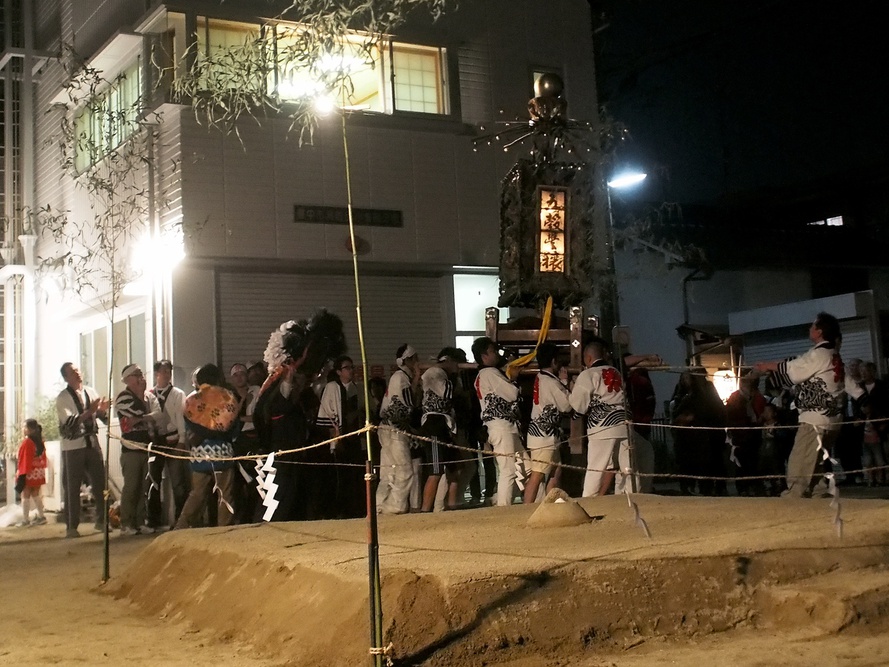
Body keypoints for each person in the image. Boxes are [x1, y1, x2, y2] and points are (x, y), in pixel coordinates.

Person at [755, 312, 849, 497]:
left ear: (819, 331)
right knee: (816, 462)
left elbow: (796, 371)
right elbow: (797, 368)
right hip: (831, 418)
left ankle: (794, 496)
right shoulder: (831, 355)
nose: (809, 329)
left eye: (813, 326)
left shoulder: (819, 354)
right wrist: (772, 369)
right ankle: (818, 494)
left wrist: (768, 366)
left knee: (800, 460)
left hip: (815, 419)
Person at [175, 364, 240, 529]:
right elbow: (232, 427)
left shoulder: (191, 399)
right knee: (225, 493)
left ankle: (182, 525)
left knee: (197, 493)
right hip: (222, 452)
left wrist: (201, 434)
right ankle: (224, 527)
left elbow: (189, 425)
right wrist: (217, 432)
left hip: (199, 453)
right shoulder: (228, 397)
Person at [56, 362, 110, 539]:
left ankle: (102, 520)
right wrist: (90, 411)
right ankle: (71, 526)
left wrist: (102, 411)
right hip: (73, 447)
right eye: (73, 372)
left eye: (78, 370)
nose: (78, 373)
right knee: (72, 487)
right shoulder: (63, 397)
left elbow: (101, 418)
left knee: (100, 482)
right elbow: (70, 422)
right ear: (65, 377)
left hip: (92, 442)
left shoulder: (90, 391)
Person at [569, 340, 629, 497]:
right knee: (626, 468)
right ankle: (627, 499)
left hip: (602, 426)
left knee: (595, 468)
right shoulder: (616, 372)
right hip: (624, 424)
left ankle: (589, 500)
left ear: (588, 358)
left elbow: (578, 405)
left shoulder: (588, 374)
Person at [472, 337, 523, 507]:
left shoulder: (484, 374)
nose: (496, 354)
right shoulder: (488, 373)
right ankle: (502, 508)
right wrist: (513, 378)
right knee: (508, 470)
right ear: (484, 355)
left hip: (504, 426)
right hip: (501, 426)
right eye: (493, 351)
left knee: (527, 469)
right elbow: (512, 394)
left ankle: (499, 500)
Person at [115, 363, 162, 536]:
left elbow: (158, 414)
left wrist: (140, 419)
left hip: (146, 447)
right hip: (131, 448)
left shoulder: (149, 396)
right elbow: (137, 410)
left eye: (141, 374)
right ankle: (127, 523)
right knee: (131, 487)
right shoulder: (123, 397)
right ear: (128, 379)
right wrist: (146, 416)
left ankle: (141, 521)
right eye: (137, 375)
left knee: (144, 487)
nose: (141, 377)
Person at [316, 355, 365, 518]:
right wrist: (336, 439)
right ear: (338, 371)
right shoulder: (332, 387)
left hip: (355, 439)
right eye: (347, 368)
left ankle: (354, 509)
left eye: (352, 367)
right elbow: (328, 416)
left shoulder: (356, 388)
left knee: (355, 477)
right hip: (340, 439)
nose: (351, 370)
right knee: (339, 477)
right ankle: (338, 511)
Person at [524, 342, 571, 503]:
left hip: (544, 433)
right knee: (538, 474)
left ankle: (549, 504)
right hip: (544, 435)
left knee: (555, 471)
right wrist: (565, 383)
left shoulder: (541, 377)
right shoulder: (551, 381)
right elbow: (566, 405)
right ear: (553, 361)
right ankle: (526, 509)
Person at [376, 344, 421, 515]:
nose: (417, 361)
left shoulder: (399, 377)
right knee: (404, 470)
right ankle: (395, 506)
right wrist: (417, 378)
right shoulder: (401, 378)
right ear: (407, 360)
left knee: (388, 471)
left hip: (386, 427)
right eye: (414, 358)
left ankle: (379, 505)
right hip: (394, 429)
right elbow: (410, 405)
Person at [419, 348, 464, 511]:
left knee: (455, 468)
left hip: (445, 425)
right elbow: (447, 393)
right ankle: (425, 510)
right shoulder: (434, 372)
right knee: (435, 471)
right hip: (434, 423)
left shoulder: (445, 375)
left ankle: (450, 506)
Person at [149, 359, 189, 526]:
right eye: (163, 371)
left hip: (173, 440)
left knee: (178, 482)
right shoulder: (149, 394)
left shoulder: (177, 393)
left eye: (168, 371)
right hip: (156, 442)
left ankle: (180, 519)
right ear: (156, 373)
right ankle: (153, 520)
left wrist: (182, 440)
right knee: (153, 482)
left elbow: (181, 418)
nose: (166, 374)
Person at [229, 363, 263, 523]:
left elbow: (259, 417)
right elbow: (227, 419)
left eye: (242, 373)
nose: (239, 377)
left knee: (256, 481)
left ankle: (255, 516)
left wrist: (240, 418)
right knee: (237, 484)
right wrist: (242, 401)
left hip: (254, 439)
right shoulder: (228, 396)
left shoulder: (256, 391)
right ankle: (240, 518)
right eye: (235, 375)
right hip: (235, 442)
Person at [726, 373, 766, 496]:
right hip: (740, 434)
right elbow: (729, 414)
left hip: (754, 434)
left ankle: (754, 486)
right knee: (741, 462)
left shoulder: (757, 397)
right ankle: (743, 487)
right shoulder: (735, 397)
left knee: (754, 462)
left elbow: (760, 414)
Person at [16, 419, 48, 526]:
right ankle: (41, 516)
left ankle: (25, 519)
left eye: (24, 427)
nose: (23, 429)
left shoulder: (27, 442)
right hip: (38, 471)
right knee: (36, 494)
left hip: (29, 471)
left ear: (29, 430)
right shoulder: (40, 441)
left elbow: (25, 458)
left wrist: (21, 472)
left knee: (25, 495)